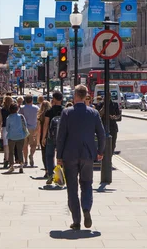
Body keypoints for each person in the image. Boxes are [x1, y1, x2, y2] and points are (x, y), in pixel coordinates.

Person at [56, 85, 105, 230]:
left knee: (72, 188)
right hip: (88, 154)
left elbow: (61, 136)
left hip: (69, 155)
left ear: (75, 95)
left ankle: (76, 220)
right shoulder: (94, 113)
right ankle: (86, 208)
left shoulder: (66, 112)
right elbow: (101, 134)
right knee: (87, 184)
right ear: (85, 96)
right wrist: (100, 151)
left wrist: (59, 156)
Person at [41, 92, 63, 184]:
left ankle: (50, 175)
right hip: (62, 137)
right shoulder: (65, 110)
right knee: (60, 157)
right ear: (61, 99)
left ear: (53, 99)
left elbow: (46, 125)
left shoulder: (49, 111)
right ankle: (59, 177)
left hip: (51, 137)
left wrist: (43, 137)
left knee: (49, 156)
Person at [5, 102, 28, 174]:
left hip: (11, 136)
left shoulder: (8, 117)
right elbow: (25, 125)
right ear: (17, 109)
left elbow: (7, 128)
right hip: (20, 136)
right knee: (20, 150)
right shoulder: (21, 116)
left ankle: (11, 165)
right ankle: (21, 165)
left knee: (11, 152)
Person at [19, 95, 39, 167]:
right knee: (34, 145)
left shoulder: (22, 108)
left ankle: (26, 161)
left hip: (24, 128)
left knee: (25, 146)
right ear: (32, 100)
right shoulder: (36, 108)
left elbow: (19, 117)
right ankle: (31, 155)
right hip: (33, 128)